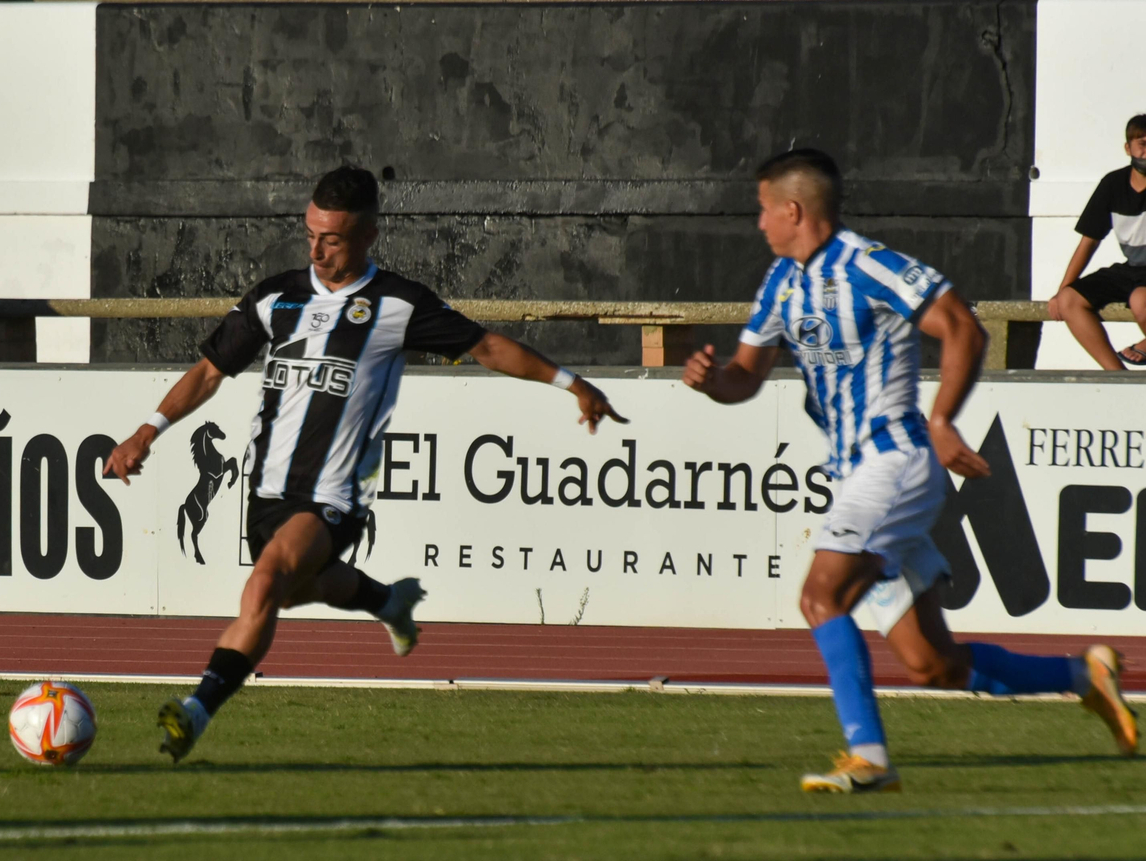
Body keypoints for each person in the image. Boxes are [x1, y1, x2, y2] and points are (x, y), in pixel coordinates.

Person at [104, 166, 624, 763]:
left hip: (337, 491)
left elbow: (485, 346)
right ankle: (387, 601)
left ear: (369, 235)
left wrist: (571, 382)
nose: (319, 249)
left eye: (334, 238)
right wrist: (149, 431)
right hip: (269, 487)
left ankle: (194, 712)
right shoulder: (277, 297)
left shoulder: (399, 305)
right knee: (290, 592)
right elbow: (209, 371)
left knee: (265, 581)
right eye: (311, 234)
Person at [683, 148, 1136, 794]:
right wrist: (710, 382)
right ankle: (1082, 676)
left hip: (893, 464)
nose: (759, 224)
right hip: (859, 474)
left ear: (791, 209)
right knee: (933, 667)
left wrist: (944, 418)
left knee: (820, 596)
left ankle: (868, 757)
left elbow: (961, 327)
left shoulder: (869, 264)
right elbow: (744, 379)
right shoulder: (783, 282)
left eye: (762, 210)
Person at [1047, 114, 1146, 368]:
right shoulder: (1113, 184)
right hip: (1132, 268)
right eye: (1143, 144)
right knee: (1070, 300)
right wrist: (1062, 290)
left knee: (1140, 301)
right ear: (1128, 148)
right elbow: (1088, 242)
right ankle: (1117, 377)